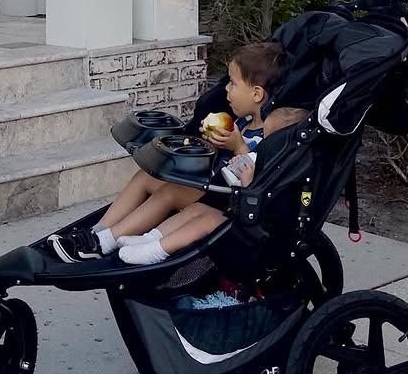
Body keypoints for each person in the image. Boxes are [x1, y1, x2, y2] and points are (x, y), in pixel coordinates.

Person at [46, 41, 285, 262]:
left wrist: (238, 147)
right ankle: (97, 231)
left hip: (226, 200)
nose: (226, 89)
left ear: (256, 94)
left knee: (170, 191)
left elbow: (255, 178)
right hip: (212, 188)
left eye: (233, 83)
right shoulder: (242, 123)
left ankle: (102, 243)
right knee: (146, 177)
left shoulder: (268, 136)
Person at [116, 105, 310, 264]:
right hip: (240, 217)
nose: (264, 145)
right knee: (198, 209)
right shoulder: (271, 162)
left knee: (207, 220)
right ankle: (150, 239)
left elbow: (264, 202)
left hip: (256, 231)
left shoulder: (288, 173)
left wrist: (247, 182)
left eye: (268, 140)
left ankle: (157, 251)